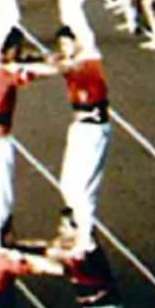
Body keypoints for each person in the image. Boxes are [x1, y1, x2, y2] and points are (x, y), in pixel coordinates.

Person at [0, 28, 56, 245]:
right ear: (7, 50)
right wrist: (62, 65)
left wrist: (42, 59)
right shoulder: (4, 70)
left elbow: (29, 65)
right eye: (17, 49)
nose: (19, 53)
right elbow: (40, 70)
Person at [52, 26, 111, 250]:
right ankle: (77, 224)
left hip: (94, 130)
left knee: (84, 190)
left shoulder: (90, 63)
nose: (64, 48)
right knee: (67, 185)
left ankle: (86, 239)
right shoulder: (66, 62)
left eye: (68, 43)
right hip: (78, 128)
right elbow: (53, 61)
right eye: (61, 44)